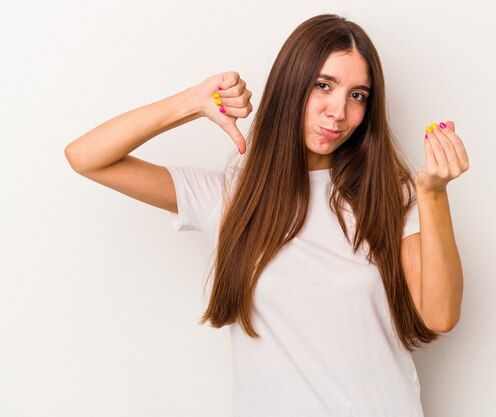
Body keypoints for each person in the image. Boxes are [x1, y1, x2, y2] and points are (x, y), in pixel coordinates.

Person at [65, 13, 468, 417]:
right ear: (291, 85)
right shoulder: (230, 198)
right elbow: (87, 158)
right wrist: (191, 103)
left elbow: (439, 315)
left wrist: (432, 193)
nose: (338, 112)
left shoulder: (390, 196)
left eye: (357, 95)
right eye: (323, 86)